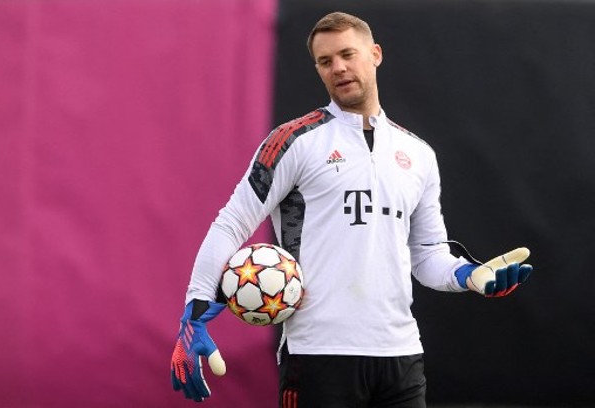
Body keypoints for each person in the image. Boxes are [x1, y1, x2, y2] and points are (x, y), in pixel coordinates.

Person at [170, 11, 533, 408]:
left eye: (347, 54)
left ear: (375, 54)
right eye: (326, 61)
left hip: (401, 356)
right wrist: (194, 312)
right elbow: (231, 223)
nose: (338, 67)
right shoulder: (293, 141)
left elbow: (427, 254)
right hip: (317, 354)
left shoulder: (419, 154)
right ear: (318, 70)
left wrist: (469, 275)